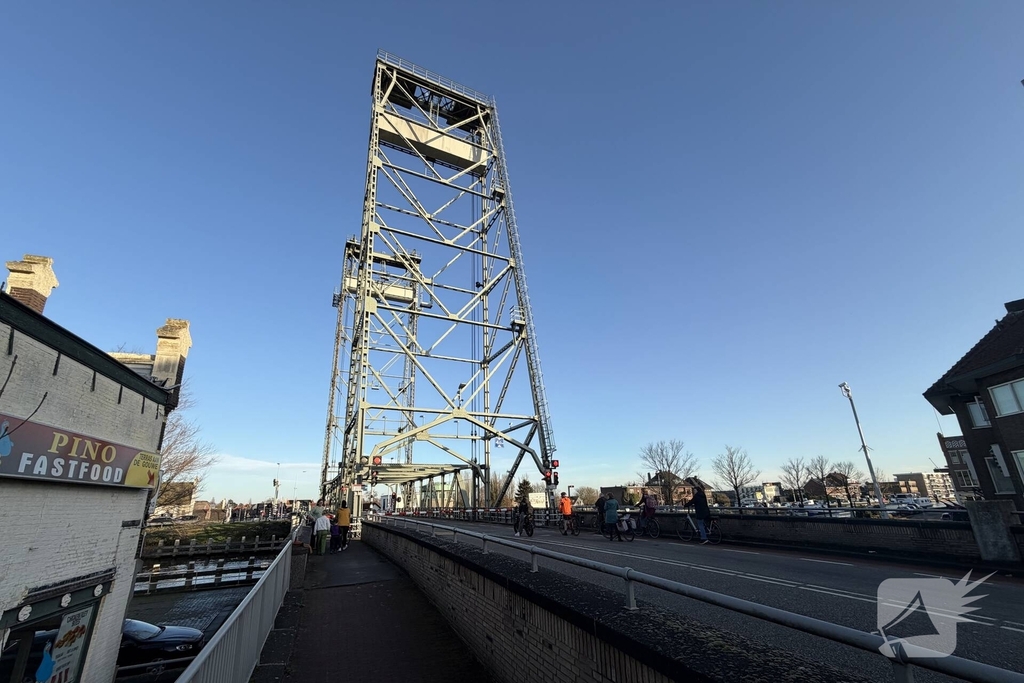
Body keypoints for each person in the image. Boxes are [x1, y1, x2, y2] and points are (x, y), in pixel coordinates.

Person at [682, 479, 711, 544]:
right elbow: (699, 502)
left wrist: (685, 505)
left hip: (700, 512)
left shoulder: (696, 496)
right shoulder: (703, 495)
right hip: (706, 511)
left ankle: (704, 538)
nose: (693, 492)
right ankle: (706, 534)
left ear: (696, 491)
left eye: (693, 491)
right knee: (703, 523)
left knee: (700, 524)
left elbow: (691, 501)